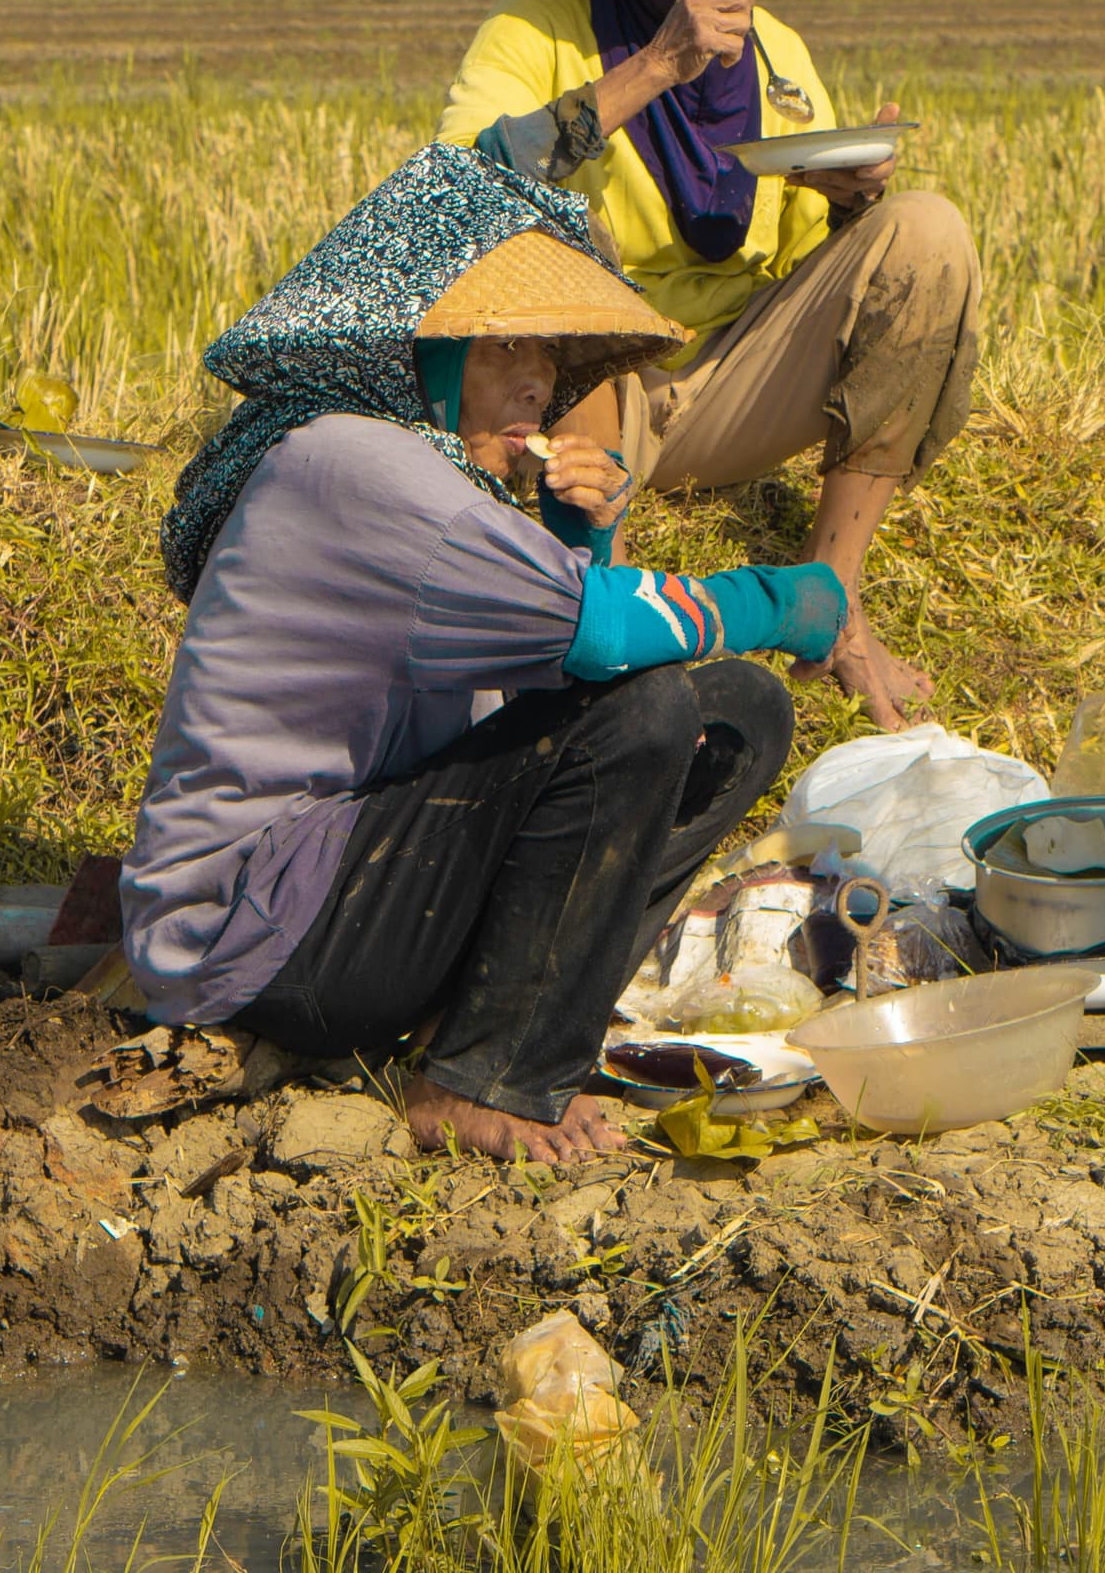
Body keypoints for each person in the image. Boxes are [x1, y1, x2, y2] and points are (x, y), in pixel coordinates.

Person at [122, 144, 849, 1165]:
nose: (541, 380)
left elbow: (545, 708)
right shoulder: (355, 461)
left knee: (733, 710)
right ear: (429, 352)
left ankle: (517, 1042)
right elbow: (600, 644)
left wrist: (575, 537)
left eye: (549, 355)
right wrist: (781, 596)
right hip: (256, 933)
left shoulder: (428, 482)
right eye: (507, 348)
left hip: (355, 903)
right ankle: (483, 1078)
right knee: (652, 709)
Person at [438, 0, 978, 733]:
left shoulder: (777, 52)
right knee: (565, 261)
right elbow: (460, 191)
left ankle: (836, 603)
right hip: (590, 390)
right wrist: (658, 64)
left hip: (730, 384)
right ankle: (591, 645)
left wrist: (849, 200)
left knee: (925, 234)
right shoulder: (533, 33)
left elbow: (819, 280)